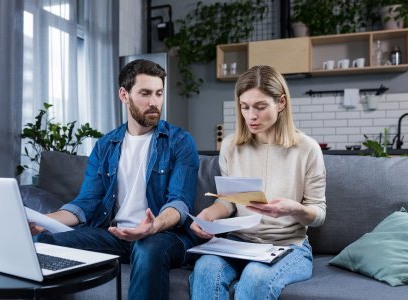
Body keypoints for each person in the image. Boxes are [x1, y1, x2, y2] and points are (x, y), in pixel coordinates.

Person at [31, 59, 199, 300]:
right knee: (43, 242)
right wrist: (43, 221)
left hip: (165, 237)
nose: (154, 102)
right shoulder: (105, 145)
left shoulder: (180, 142)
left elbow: (179, 203)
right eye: (145, 93)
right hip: (115, 235)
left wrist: (154, 226)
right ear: (124, 94)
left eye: (159, 93)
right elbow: (86, 203)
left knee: (147, 247)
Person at [189, 65, 326, 300]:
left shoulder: (307, 149)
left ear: (281, 102)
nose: (251, 115)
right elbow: (230, 202)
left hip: (289, 246)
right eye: (245, 107)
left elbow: (319, 213)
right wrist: (209, 215)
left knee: (256, 276)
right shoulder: (232, 147)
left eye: (260, 107)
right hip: (239, 243)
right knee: (205, 269)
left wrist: (296, 209)